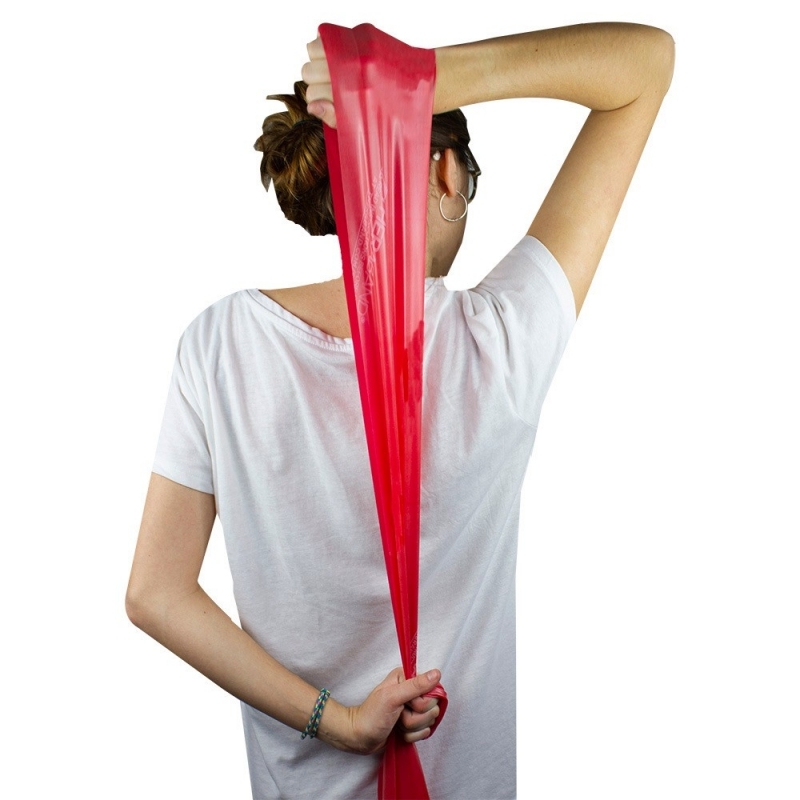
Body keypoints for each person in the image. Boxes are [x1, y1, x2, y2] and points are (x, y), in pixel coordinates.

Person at [127, 21, 674, 799]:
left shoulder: (219, 345)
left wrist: (339, 720)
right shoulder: (501, 343)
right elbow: (646, 65)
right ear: (447, 172)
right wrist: (425, 77)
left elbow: (156, 594)